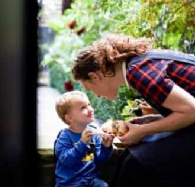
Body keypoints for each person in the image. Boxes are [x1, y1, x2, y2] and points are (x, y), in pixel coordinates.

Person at [71, 33, 195, 187]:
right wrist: (146, 122)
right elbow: (186, 111)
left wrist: (143, 131)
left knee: (136, 162)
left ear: (94, 77)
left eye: (90, 89)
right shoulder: (139, 65)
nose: (96, 95)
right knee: (133, 155)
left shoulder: (137, 72)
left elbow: (192, 111)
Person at [54, 90, 114, 187]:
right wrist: (82, 143)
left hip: (91, 180)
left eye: (89, 104)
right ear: (70, 118)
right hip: (70, 182)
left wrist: (105, 147)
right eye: (83, 108)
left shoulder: (94, 132)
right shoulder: (65, 137)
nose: (90, 109)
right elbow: (67, 161)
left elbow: (100, 160)